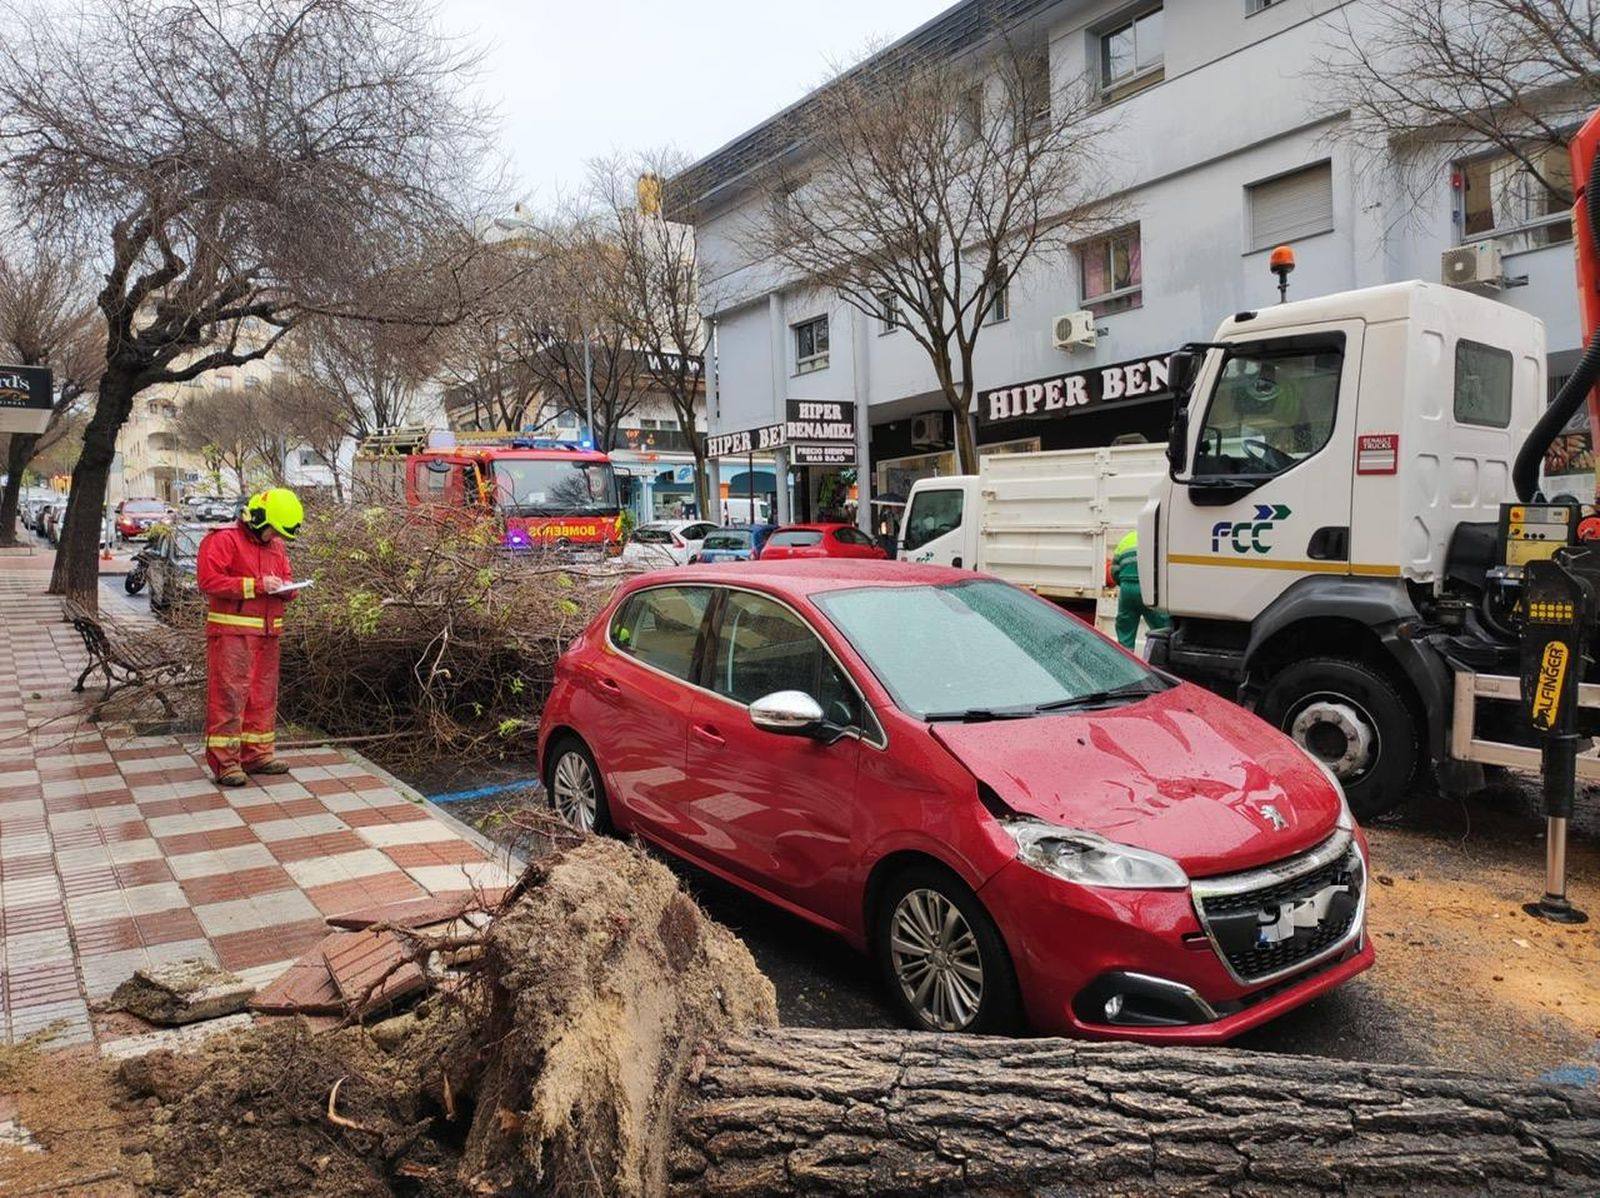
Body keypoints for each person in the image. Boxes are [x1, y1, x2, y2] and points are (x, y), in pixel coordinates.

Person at [196, 488, 304, 786]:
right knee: (229, 697)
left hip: (267, 634)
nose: (274, 536)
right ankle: (225, 763)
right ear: (258, 519)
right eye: (271, 530)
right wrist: (256, 585)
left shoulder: (277, 545)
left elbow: (286, 579)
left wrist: (289, 589)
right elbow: (209, 581)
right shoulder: (223, 539)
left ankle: (256, 755)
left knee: (262, 697)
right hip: (232, 632)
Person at [1110, 528, 1168, 651]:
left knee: (1125, 632)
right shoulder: (1156, 537)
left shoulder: (1126, 539)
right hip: (1148, 589)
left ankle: (1125, 663)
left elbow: (1114, 570)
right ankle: (1155, 662)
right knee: (1161, 630)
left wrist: (1124, 583)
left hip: (1126, 590)